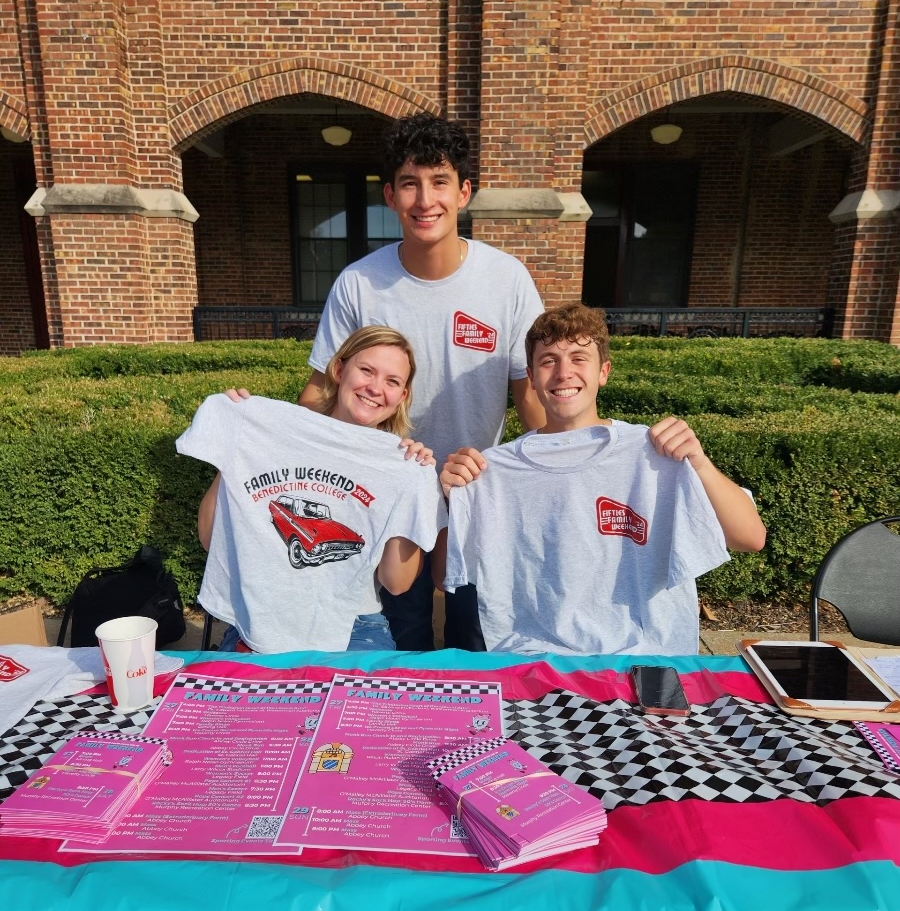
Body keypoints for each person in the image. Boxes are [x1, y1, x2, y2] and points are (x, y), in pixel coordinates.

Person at [300, 112, 546, 651]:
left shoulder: (506, 280)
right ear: (390, 195)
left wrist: (549, 481)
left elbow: (529, 394)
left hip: (475, 487)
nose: (424, 199)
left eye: (439, 182)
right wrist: (283, 451)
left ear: (465, 192)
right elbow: (321, 389)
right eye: (410, 184)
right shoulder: (359, 283)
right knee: (402, 629)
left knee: (475, 635)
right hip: (383, 489)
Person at [435, 302, 766, 657]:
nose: (564, 373)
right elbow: (445, 578)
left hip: (648, 662)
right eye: (549, 360)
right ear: (531, 378)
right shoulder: (492, 472)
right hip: (534, 662)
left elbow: (750, 537)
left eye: (579, 358)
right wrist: (454, 504)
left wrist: (699, 463)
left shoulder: (653, 453)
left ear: (603, 371)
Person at [178, 327, 446, 655]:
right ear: (338, 370)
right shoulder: (270, 435)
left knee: (362, 707)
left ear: (402, 396)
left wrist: (409, 496)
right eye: (367, 370)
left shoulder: (402, 464)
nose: (376, 388)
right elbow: (209, 537)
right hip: (260, 618)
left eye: (392, 381)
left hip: (354, 626)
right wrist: (238, 453)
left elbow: (397, 582)